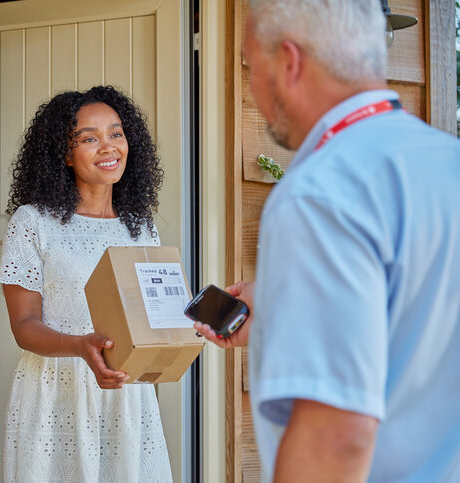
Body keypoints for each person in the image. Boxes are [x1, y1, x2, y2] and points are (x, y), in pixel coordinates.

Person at [195, 1, 460, 481]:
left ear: (290, 63)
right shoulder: (447, 161)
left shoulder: (319, 194)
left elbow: (335, 440)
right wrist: (287, 312)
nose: (252, 89)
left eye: (252, 68)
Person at [0, 85, 173, 482]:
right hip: (54, 396)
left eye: (116, 133)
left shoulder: (141, 229)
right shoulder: (33, 222)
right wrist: (80, 347)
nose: (108, 147)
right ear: (64, 153)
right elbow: (24, 327)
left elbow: (150, 321)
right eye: (89, 138)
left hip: (124, 396)